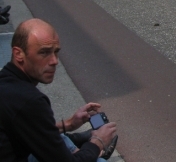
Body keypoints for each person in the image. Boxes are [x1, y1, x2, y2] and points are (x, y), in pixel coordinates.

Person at [0, 19, 118, 161]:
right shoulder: (30, 101)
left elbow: (33, 128)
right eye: (44, 52)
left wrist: (68, 124)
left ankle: (78, 147)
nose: (54, 61)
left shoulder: (6, 81)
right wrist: (98, 142)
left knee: (57, 136)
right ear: (18, 54)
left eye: (56, 52)